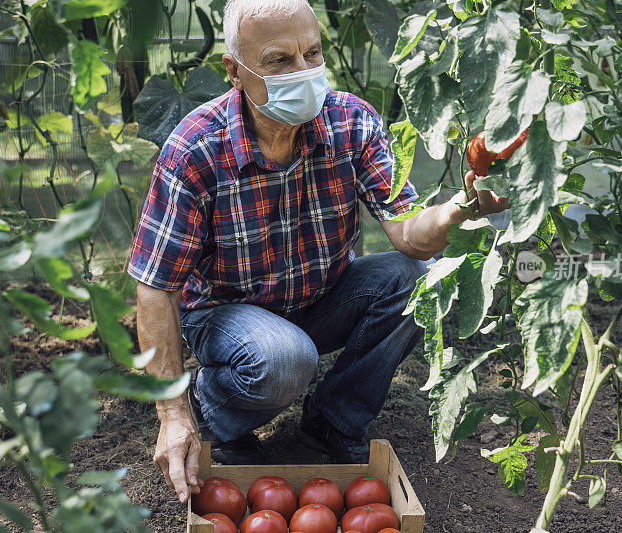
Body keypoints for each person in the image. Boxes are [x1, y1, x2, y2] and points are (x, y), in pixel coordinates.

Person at [127, 0, 510, 504]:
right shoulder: (196, 149)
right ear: (234, 71)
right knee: (284, 358)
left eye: (312, 54)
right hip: (225, 319)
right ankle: (213, 409)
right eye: (279, 60)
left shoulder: (351, 122)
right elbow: (156, 286)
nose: (303, 72)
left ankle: (333, 421)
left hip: (319, 299)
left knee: (420, 275)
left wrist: (461, 205)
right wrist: (171, 414)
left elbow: (409, 233)